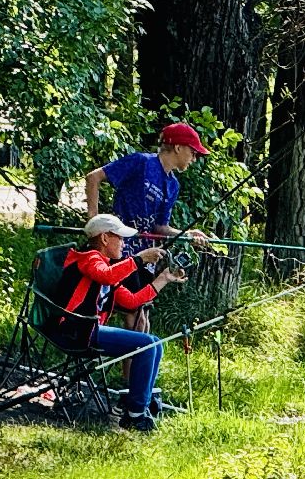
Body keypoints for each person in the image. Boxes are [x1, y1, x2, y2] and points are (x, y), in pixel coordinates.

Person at [52, 213, 186, 432]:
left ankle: (138, 406)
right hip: (75, 330)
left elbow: (132, 301)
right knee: (146, 345)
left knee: (155, 342)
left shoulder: (107, 267)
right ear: (105, 238)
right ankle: (135, 414)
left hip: (88, 329)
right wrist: (139, 259)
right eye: (120, 238)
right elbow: (105, 276)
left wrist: (163, 279)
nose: (124, 243)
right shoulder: (90, 258)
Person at [84, 123, 211, 330]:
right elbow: (93, 177)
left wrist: (187, 234)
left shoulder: (173, 185)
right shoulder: (141, 162)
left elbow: (160, 227)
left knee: (143, 315)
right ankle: (125, 348)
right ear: (178, 147)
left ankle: (139, 352)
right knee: (135, 315)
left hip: (147, 256)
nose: (194, 158)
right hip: (121, 250)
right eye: (193, 152)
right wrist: (94, 222)